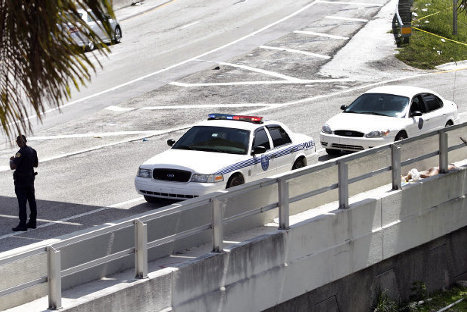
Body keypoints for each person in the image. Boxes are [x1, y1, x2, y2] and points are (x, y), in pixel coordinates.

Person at [9, 135, 39, 231]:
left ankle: (22, 224)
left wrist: (11, 160)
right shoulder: (32, 151)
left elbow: (13, 166)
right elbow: (36, 164)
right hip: (30, 179)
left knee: (22, 203)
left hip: (21, 182)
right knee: (32, 201)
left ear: (18, 142)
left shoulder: (20, 153)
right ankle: (33, 222)